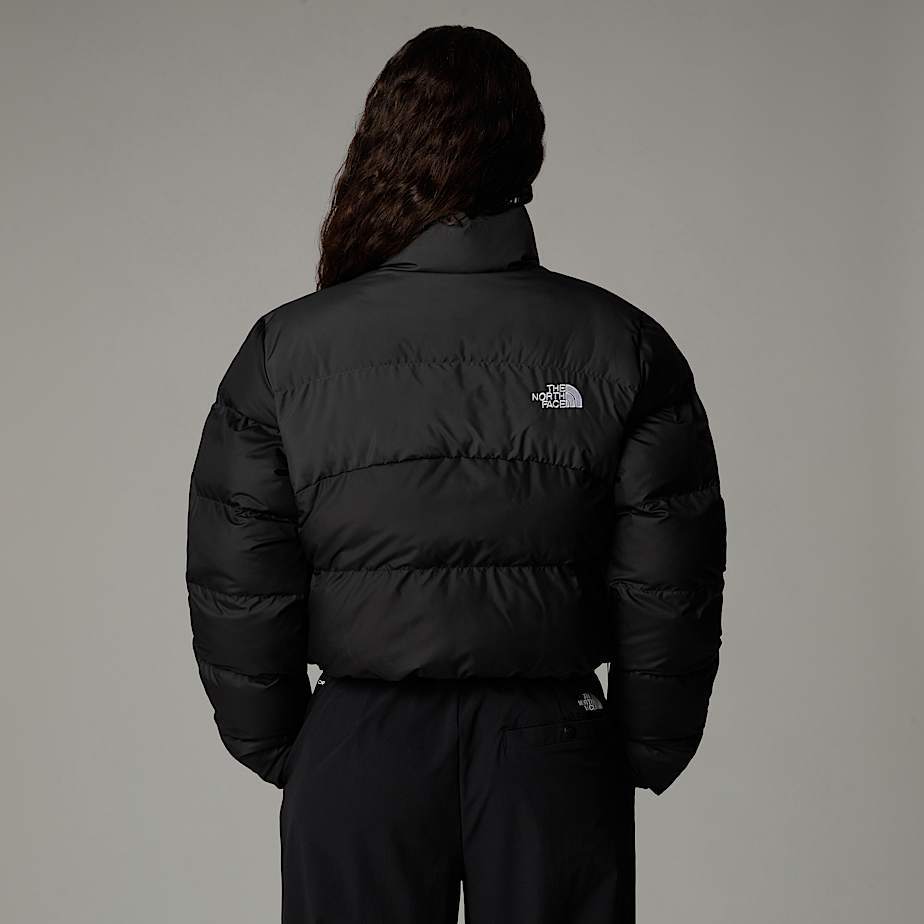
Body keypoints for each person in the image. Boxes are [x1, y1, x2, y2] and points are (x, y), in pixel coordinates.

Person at [185, 24, 726, 924]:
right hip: (552, 745)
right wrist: (638, 747)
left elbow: (238, 571)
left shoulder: (286, 351)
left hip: (360, 743)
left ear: (384, 148)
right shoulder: (623, 344)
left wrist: (294, 747)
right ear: (527, 154)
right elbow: (671, 578)